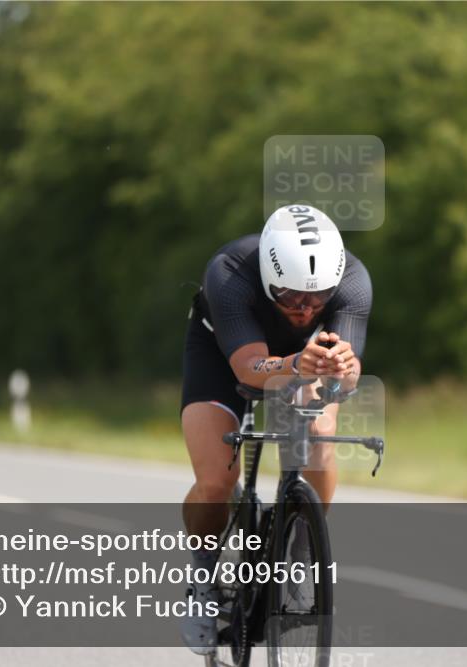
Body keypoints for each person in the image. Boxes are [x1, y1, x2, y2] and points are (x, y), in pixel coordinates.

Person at [178, 204, 372, 653]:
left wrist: (344, 370)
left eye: (319, 298)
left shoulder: (353, 280)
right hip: (223, 354)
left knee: (320, 435)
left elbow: (347, 377)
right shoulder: (229, 272)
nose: (305, 309)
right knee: (216, 481)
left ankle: (301, 552)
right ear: (268, 276)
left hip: (305, 357)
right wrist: (295, 363)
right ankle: (202, 579)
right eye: (290, 296)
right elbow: (249, 369)